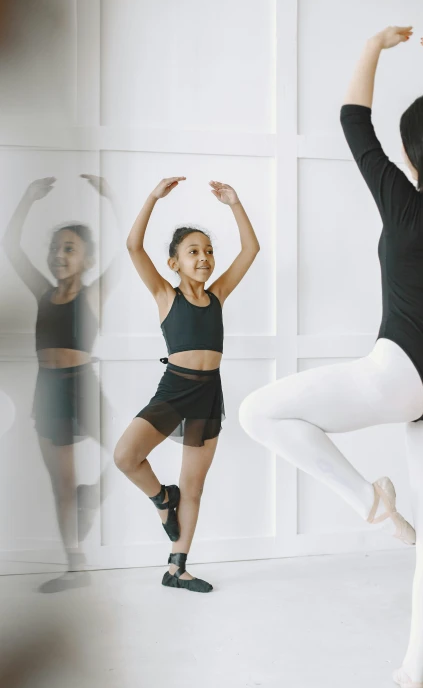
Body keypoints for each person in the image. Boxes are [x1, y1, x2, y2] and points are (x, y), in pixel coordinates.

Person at [239, 25, 423, 688]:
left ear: (416, 152)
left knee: (257, 411)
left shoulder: (406, 206)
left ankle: (368, 501)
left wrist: (372, 49)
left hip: (398, 373)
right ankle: (415, 671)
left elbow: (355, 121)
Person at [114, 177, 259, 593]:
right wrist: (152, 198)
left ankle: (177, 569)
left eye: (209, 251)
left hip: (208, 394)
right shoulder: (164, 294)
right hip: (173, 389)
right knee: (126, 456)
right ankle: (163, 499)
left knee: (194, 487)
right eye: (193, 252)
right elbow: (132, 248)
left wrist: (235, 203)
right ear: (174, 263)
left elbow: (251, 250)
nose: (204, 258)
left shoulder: (218, 295)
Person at [2, 174, 120, 592]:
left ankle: (93, 498)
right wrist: (27, 198)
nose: (58, 254)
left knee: (125, 454)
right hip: (47, 391)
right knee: (62, 484)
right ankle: (75, 565)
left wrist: (113, 199)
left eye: (69, 248)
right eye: (55, 248)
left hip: (83, 385)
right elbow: (11, 247)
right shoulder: (42, 293)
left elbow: (128, 251)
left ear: (87, 260)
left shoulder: (92, 295)